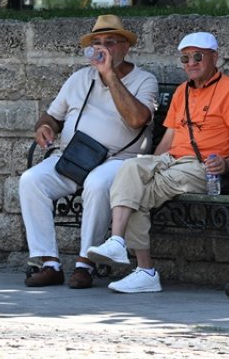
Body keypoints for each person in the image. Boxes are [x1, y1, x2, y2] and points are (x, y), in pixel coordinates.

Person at [87, 32, 229, 293]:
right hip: (171, 161)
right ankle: (119, 243)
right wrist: (149, 165)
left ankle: (145, 270)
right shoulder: (182, 92)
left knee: (136, 194)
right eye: (185, 58)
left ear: (214, 57)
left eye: (197, 57)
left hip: (202, 167)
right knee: (130, 169)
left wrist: (228, 163)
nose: (191, 63)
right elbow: (169, 138)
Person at [20, 15, 158, 289]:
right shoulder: (79, 78)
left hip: (120, 160)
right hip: (76, 157)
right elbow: (51, 116)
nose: (102, 48)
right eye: (97, 43)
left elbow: (136, 120)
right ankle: (49, 263)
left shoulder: (144, 80)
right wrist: (45, 127)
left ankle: (86, 264)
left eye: (110, 42)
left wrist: (109, 74)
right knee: (31, 180)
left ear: (125, 47)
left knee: (97, 183)